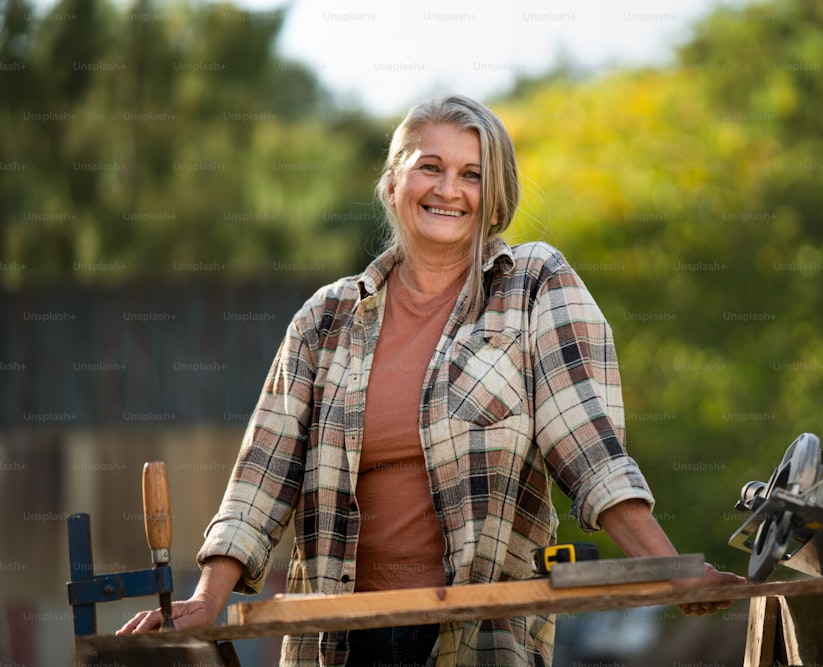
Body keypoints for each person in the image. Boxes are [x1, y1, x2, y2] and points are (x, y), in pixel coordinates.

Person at [119, 94, 745, 666]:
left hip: (479, 636)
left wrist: (669, 568)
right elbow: (263, 475)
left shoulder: (531, 286)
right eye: (430, 167)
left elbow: (588, 447)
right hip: (338, 637)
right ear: (392, 183)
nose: (450, 189)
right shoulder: (326, 318)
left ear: (494, 196)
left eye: (472, 174)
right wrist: (205, 601)